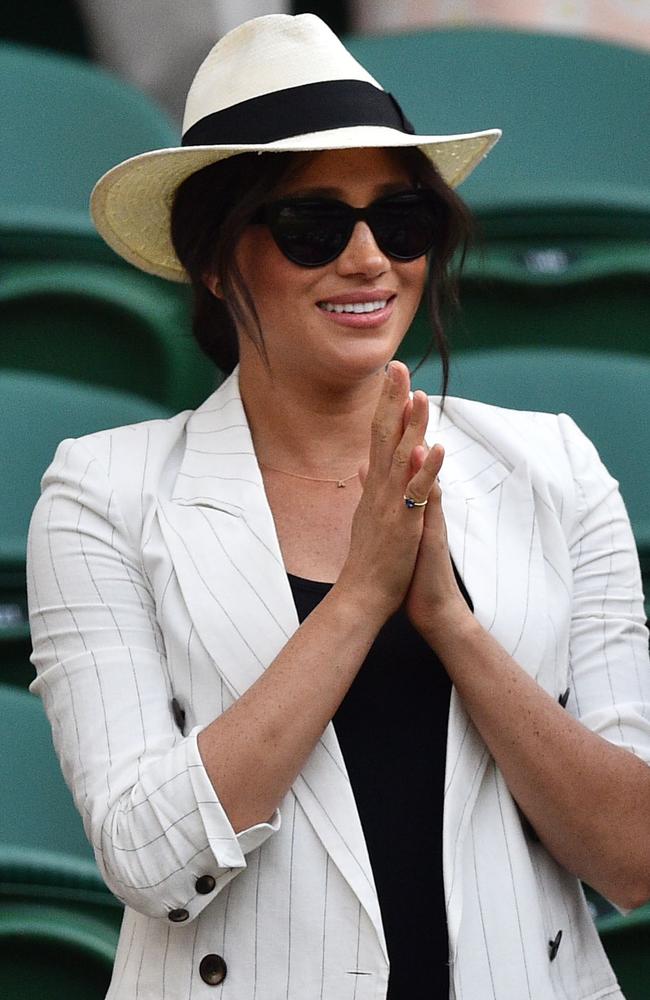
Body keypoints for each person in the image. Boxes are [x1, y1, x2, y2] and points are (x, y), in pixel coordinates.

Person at [27, 13, 650, 1000]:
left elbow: (632, 853)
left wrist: (450, 624)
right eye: (314, 225)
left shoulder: (552, 467)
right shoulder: (101, 493)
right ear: (218, 258)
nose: (367, 259)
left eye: (398, 221)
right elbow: (146, 856)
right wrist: (357, 596)